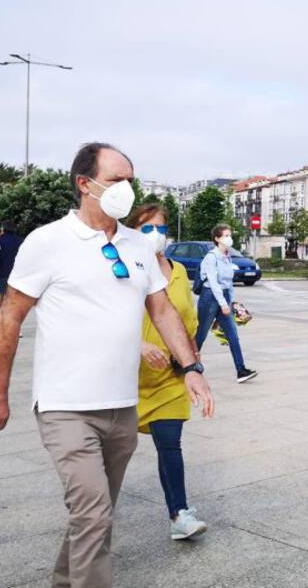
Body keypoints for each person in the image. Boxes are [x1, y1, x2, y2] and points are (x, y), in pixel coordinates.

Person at [0, 142, 215, 588]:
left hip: (122, 408)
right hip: (65, 406)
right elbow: (10, 318)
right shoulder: (47, 242)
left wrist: (192, 369)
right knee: (92, 513)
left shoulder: (137, 245)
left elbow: (161, 310)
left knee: (95, 516)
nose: (126, 187)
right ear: (84, 184)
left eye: (130, 178)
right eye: (116, 179)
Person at [125, 203, 209, 541]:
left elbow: (186, 320)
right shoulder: (124, 268)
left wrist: (192, 363)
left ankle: (179, 514)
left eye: (160, 228)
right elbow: (107, 318)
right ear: (133, 233)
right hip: (126, 377)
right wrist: (138, 345)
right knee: (108, 451)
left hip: (170, 378)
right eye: (147, 229)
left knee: (170, 445)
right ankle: (91, 512)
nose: (156, 235)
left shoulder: (178, 272)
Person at [195, 225, 257, 383]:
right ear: (217, 239)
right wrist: (223, 304)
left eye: (230, 235)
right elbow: (213, 283)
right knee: (201, 334)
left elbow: (228, 283)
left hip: (223, 298)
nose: (229, 238)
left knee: (232, 335)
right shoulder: (211, 257)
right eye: (226, 235)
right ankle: (188, 365)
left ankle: (241, 370)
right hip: (209, 297)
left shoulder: (227, 257)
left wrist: (230, 302)